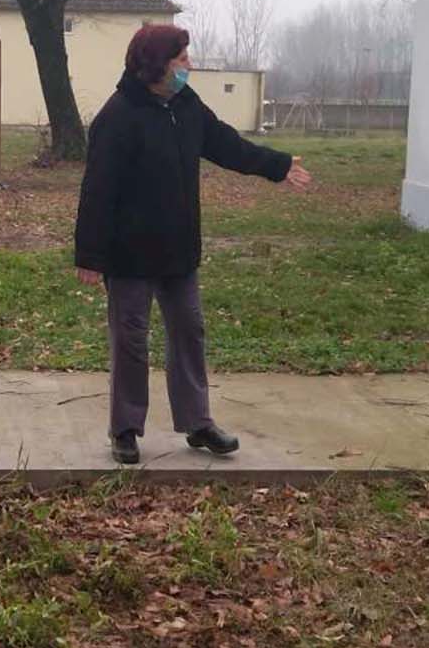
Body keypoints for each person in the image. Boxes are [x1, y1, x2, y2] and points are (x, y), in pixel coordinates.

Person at [74, 24, 313, 465]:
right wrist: (89, 255)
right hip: (129, 255)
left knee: (189, 331)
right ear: (158, 64)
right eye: (182, 58)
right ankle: (125, 429)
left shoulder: (186, 105)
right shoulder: (118, 115)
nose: (189, 65)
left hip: (178, 251)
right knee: (131, 340)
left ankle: (198, 423)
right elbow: (97, 191)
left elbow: (227, 145)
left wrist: (277, 166)